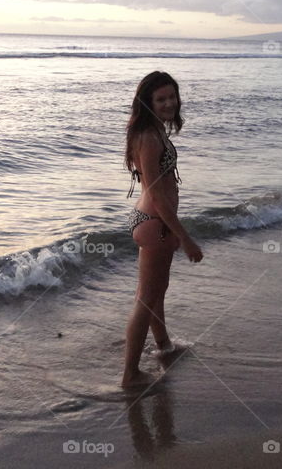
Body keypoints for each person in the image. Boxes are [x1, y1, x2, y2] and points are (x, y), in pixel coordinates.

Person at [121, 71, 203, 387]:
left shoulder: (155, 130)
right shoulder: (148, 137)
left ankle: (163, 345)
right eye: (161, 99)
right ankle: (130, 375)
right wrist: (185, 237)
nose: (169, 103)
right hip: (155, 224)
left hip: (153, 223)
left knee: (156, 291)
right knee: (146, 298)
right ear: (148, 102)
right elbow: (156, 194)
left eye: (172, 97)